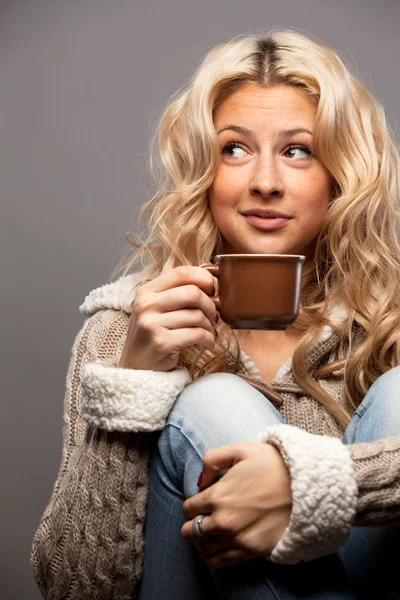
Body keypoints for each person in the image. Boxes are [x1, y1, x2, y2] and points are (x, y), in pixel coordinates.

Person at [30, 28, 400, 600]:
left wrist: (319, 483)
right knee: (215, 399)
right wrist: (132, 386)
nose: (265, 182)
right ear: (205, 174)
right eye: (235, 148)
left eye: (297, 150)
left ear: (340, 176)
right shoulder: (124, 329)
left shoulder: (389, 323)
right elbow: (74, 589)